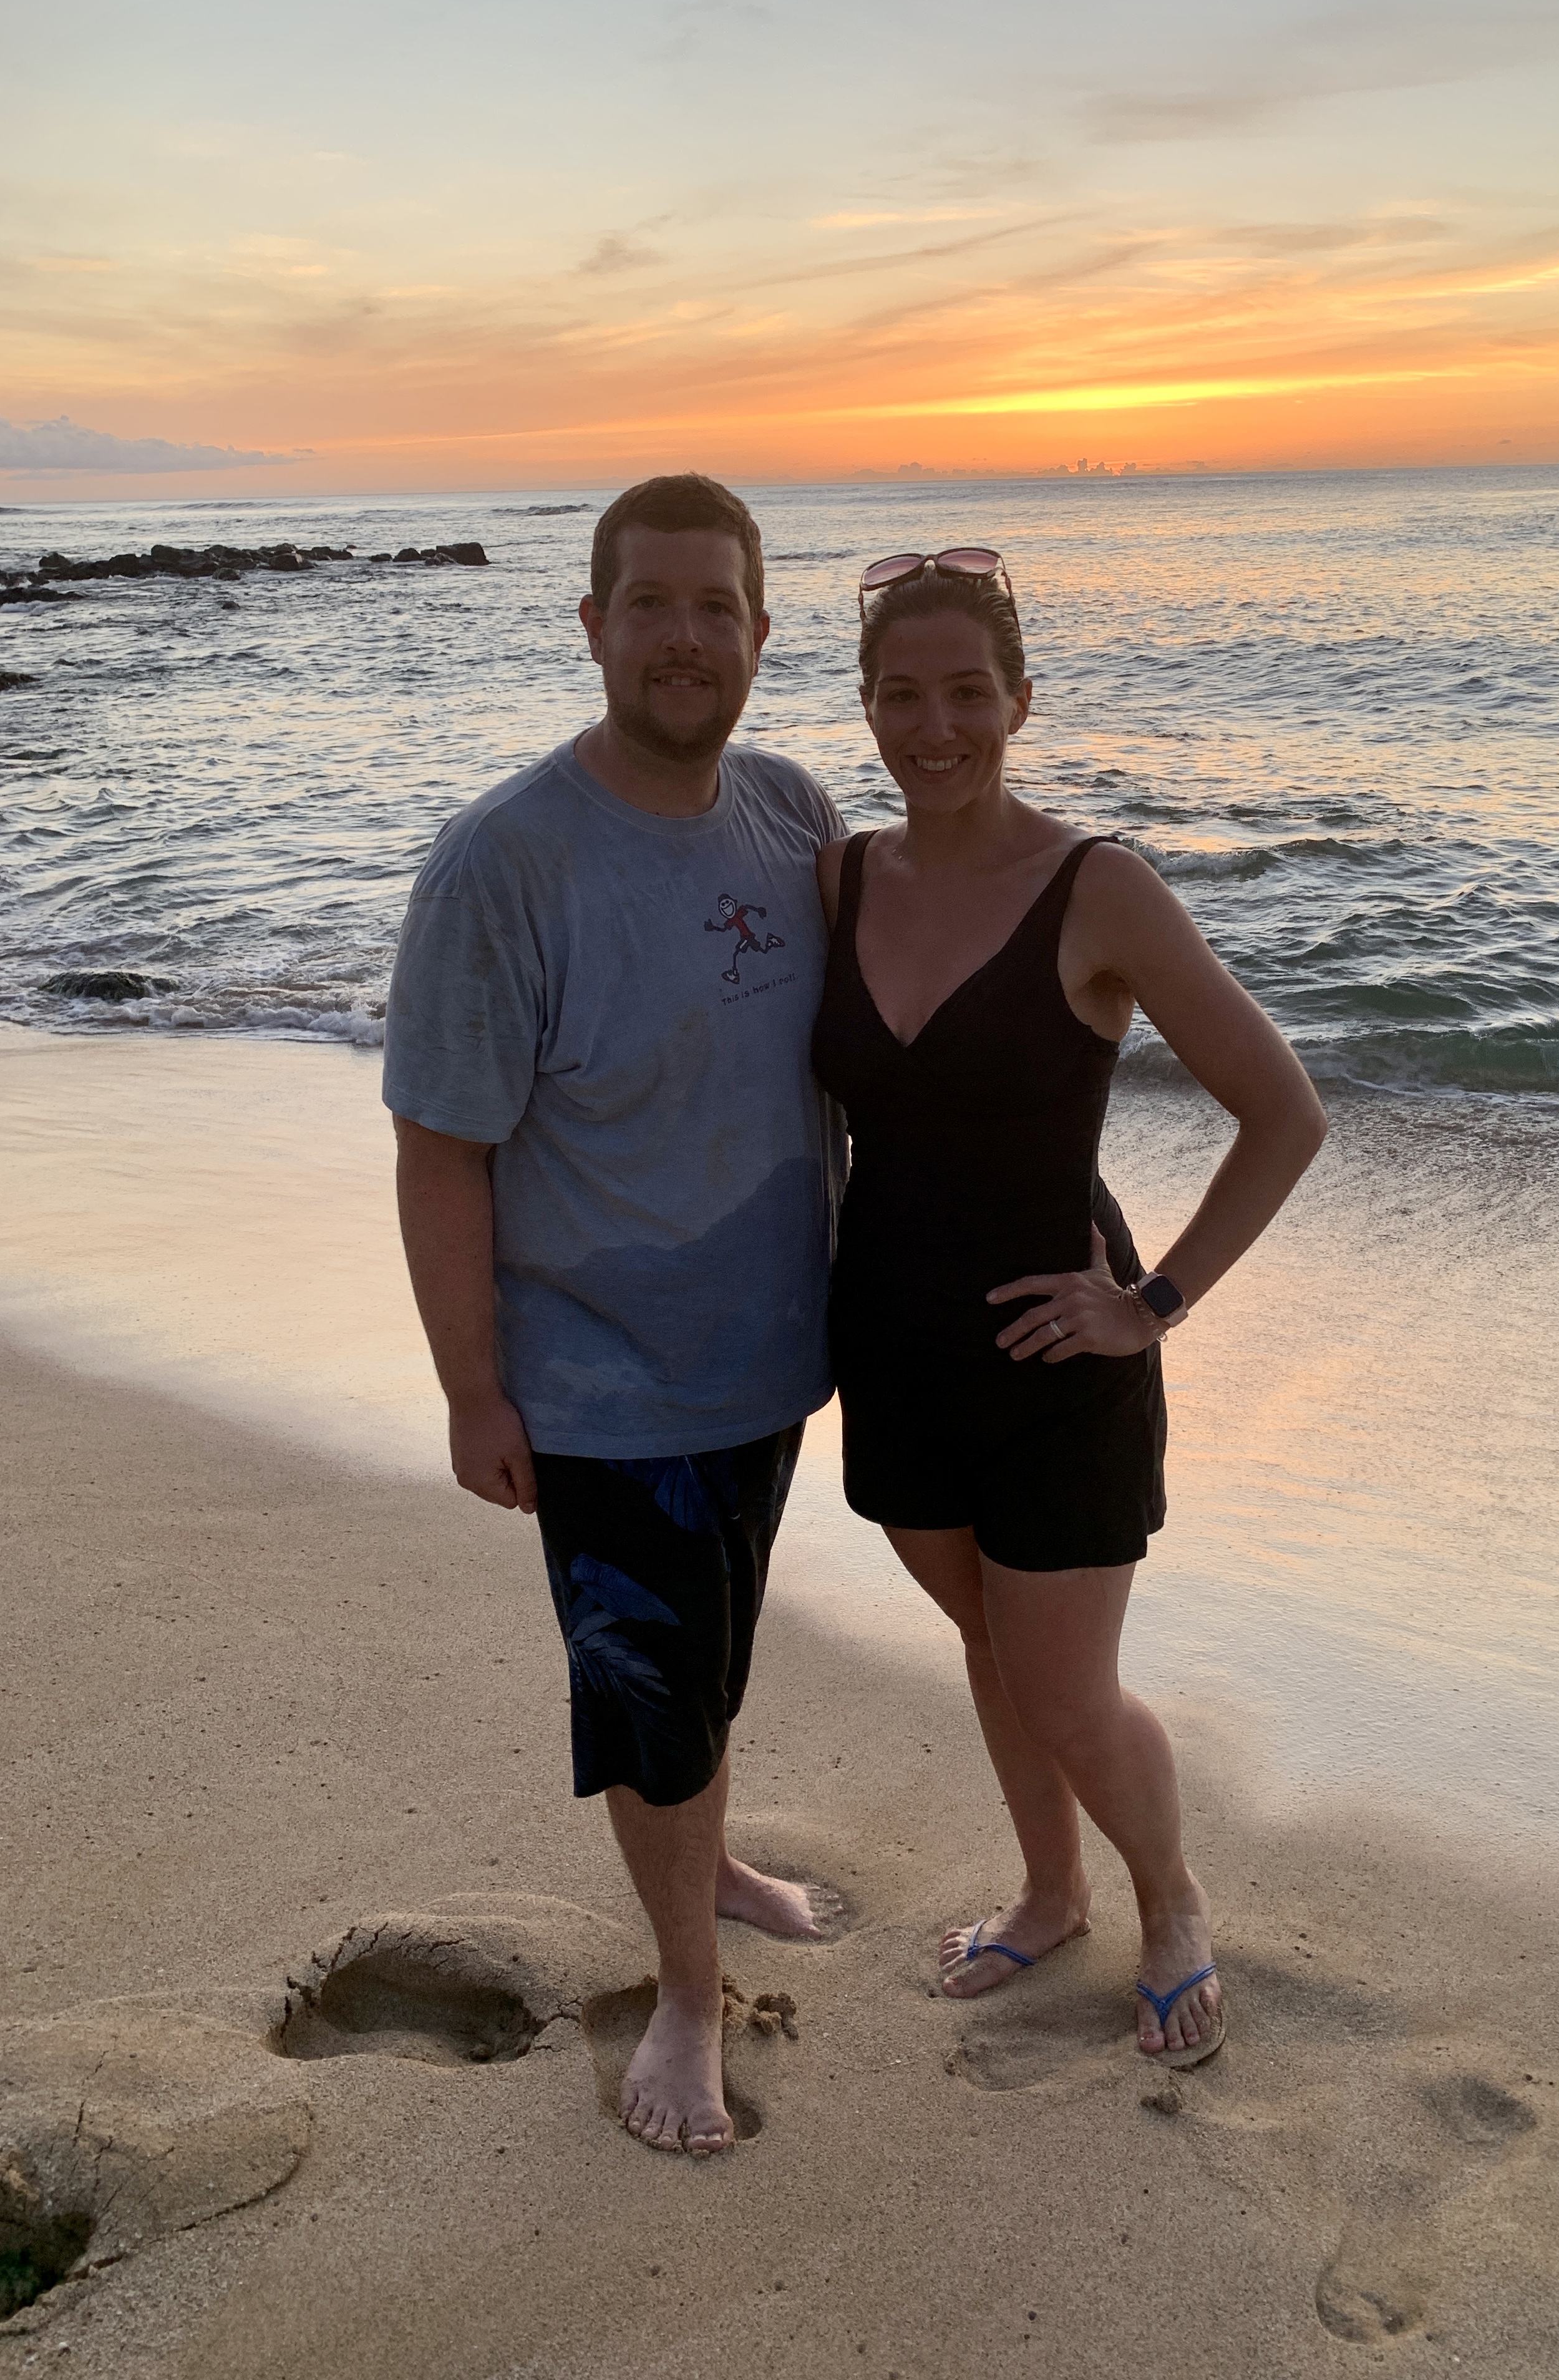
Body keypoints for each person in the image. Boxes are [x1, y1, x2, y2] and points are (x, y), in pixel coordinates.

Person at [810, 547, 1326, 2065]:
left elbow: (1284, 1113)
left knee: (1061, 1680)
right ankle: (1050, 1890)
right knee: (990, 1646)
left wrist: (1151, 1303)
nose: (935, 725)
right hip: (891, 1350)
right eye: (902, 694)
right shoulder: (835, 877)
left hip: (1056, 1353)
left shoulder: (1099, 887)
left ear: (1020, 701)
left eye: (968, 691)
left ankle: (1168, 1900)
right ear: (869, 707)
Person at [384, 474, 846, 2155]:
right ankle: (683, 1997)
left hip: (768, 1362)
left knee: (706, 1652)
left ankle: (706, 1858)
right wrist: (472, 1391)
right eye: (649, 603)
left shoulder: (795, 815)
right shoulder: (504, 863)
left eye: (715, 605)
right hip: (596, 1383)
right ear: (591, 626)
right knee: (648, 1691)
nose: (683, 636)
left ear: (759, 633)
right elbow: (442, 1152)